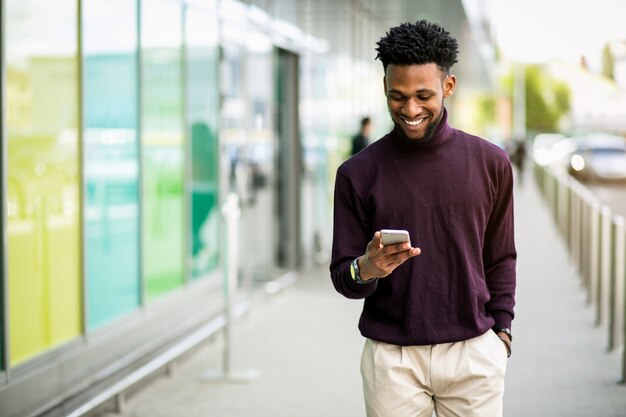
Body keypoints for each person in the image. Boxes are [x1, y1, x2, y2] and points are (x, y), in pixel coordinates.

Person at [329, 20, 516, 417]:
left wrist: (502, 333)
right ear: (384, 88)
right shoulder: (356, 174)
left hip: (474, 356)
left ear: (448, 87)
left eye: (423, 95)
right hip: (392, 362)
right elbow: (343, 277)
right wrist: (367, 268)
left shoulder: (491, 163)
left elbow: (500, 257)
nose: (410, 109)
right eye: (397, 96)